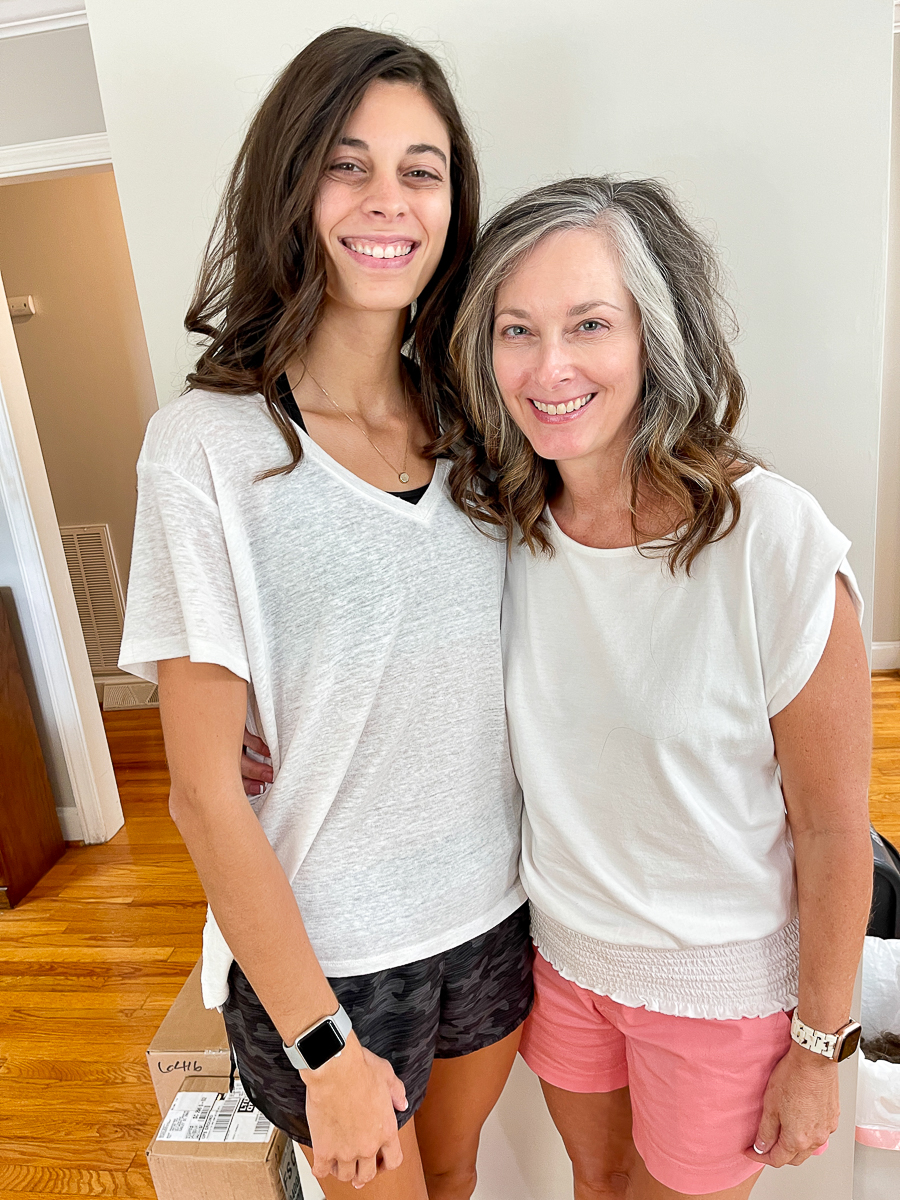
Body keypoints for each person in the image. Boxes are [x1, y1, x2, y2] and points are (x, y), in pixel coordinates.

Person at [118, 28, 532, 1199]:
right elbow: (201, 789)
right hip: (332, 964)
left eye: (422, 168)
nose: (387, 200)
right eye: (348, 164)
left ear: (455, 199)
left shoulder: (483, 422)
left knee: (452, 1181)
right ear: (292, 184)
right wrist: (318, 1044)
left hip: (496, 913)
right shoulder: (205, 448)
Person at [449, 175, 873, 1200]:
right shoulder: (495, 531)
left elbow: (830, 829)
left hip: (720, 989)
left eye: (589, 324)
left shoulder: (771, 542)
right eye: (517, 329)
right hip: (562, 964)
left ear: (655, 336)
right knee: (596, 1188)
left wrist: (820, 1051)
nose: (549, 367)